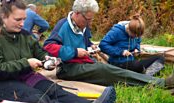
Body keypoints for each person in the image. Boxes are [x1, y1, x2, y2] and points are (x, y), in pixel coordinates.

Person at [0, 0, 116, 103]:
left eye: (24, 19)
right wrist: (26, 63)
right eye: (17, 19)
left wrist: (48, 59)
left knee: (53, 89)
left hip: (24, 75)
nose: (22, 23)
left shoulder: (25, 35)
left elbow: (40, 52)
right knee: (34, 96)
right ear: (3, 18)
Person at [43, 0, 174, 88]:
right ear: (77, 14)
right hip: (68, 68)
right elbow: (49, 47)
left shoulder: (84, 25)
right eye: (88, 19)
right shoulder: (63, 25)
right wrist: (75, 51)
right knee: (105, 69)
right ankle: (161, 83)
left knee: (110, 70)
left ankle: (150, 81)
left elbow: (85, 41)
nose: (90, 22)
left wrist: (91, 45)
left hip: (86, 61)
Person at [99, 14, 165, 76]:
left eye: (138, 36)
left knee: (160, 57)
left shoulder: (136, 32)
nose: (136, 38)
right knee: (139, 66)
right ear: (128, 29)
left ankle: (147, 76)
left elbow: (138, 42)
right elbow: (102, 45)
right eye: (134, 36)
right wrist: (121, 52)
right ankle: (146, 77)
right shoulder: (116, 31)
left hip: (132, 62)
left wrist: (137, 49)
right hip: (119, 64)